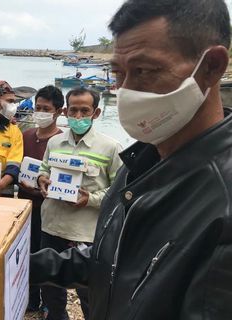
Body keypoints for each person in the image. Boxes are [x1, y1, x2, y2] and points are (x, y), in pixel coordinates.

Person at [31, 0, 232, 319]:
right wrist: (22, 265)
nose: (125, 92)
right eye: (119, 74)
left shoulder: (223, 210)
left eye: (144, 71)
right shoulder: (138, 164)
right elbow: (114, 260)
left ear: (211, 68)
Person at [36, 87, 122, 320]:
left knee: (89, 292)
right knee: (51, 288)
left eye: (85, 111)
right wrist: (42, 180)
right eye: (73, 110)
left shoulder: (111, 148)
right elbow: (44, 170)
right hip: (52, 226)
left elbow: (119, 193)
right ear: (65, 111)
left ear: (96, 113)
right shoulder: (54, 142)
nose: (78, 116)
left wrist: (89, 200)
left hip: (87, 233)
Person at [17, 85, 64, 315]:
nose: (41, 112)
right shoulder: (25, 136)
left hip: (48, 210)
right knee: (24, 252)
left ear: (57, 111)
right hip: (23, 207)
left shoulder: (61, 142)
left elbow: (64, 181)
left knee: (45, 255)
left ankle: (49, 303)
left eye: (46, 109)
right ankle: (29, 299)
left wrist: (38, 190)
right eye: (38, 108)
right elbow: (15, 166)